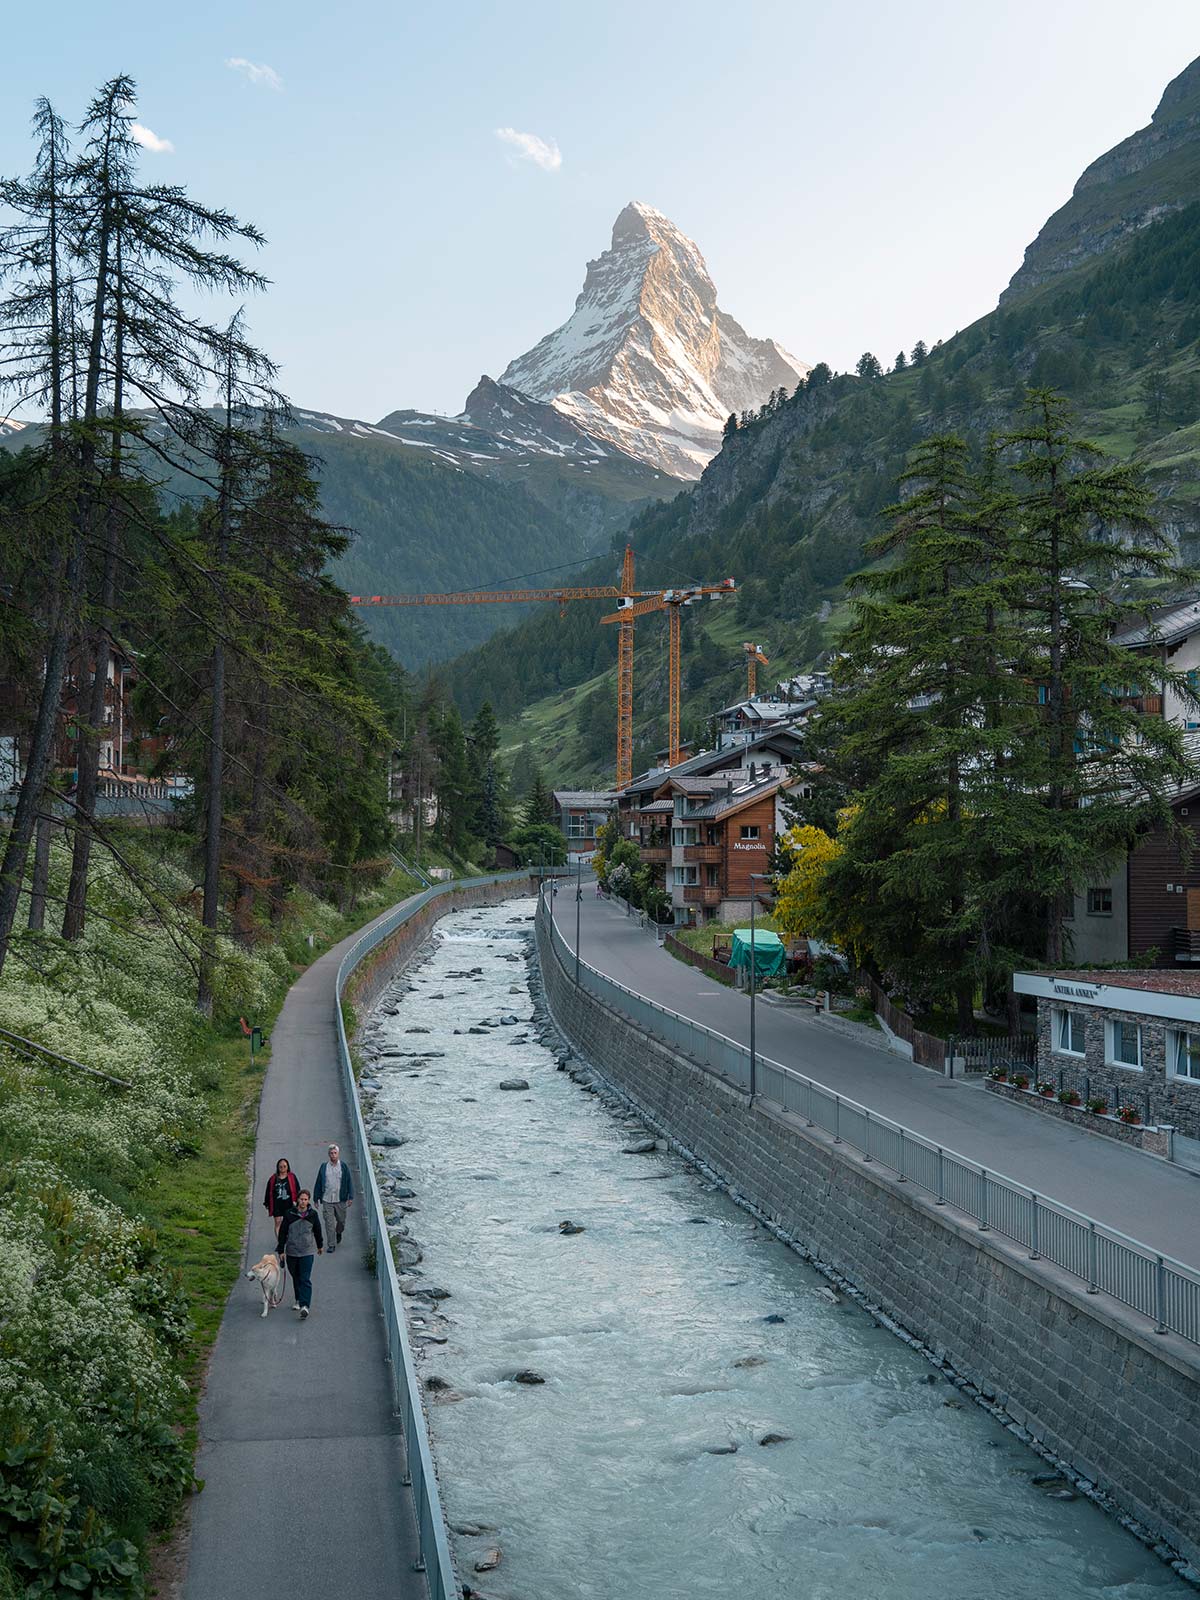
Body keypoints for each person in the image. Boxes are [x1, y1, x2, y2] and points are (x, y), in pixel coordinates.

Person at [276, 1189, 323, 1318]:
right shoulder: (289, 1214)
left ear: (308, 1201)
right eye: (301, 1199)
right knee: (296, 1277)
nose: (303, 1202)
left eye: (306, 1199)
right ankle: (298, 1299)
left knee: (305, 1278)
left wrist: (320, 1245)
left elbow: (317, 1230)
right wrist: (281, 1250)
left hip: (307, 1251)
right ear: (297, 1200)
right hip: (292, 1251)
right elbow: (283, 1233)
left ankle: (305, 1305)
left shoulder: (313, 1215)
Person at [312, 1142, 354, 1253]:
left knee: (341, 1221)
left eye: (335, 1153)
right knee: (329, 1223)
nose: (333, 1155)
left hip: (340, 1199)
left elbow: (349, 1181)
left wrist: (351, 1196)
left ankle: (339, 1232)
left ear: (338, 1154)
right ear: (328, 1155)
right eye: (331, 1153)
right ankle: (331, 1244)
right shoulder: (324, 1167)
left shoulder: (343, 1167)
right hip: (327, 1199)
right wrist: (316, 1198)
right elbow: (318, 1182)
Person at [263, 1157, 299, 1238]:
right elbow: (268, 1191)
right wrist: (267, 1203)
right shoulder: (273, 1179)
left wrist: (298, 1201)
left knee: (290, 1222)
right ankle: (280, 1242)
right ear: (278, 1167)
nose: (283, 1168)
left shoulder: (292, 1177)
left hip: (289, 1204)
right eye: (281, 1167)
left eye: (284, 1166)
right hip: (277, 1205)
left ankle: (289, 1239)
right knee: (278, 1222)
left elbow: (297, 1189)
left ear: (288, 1167)